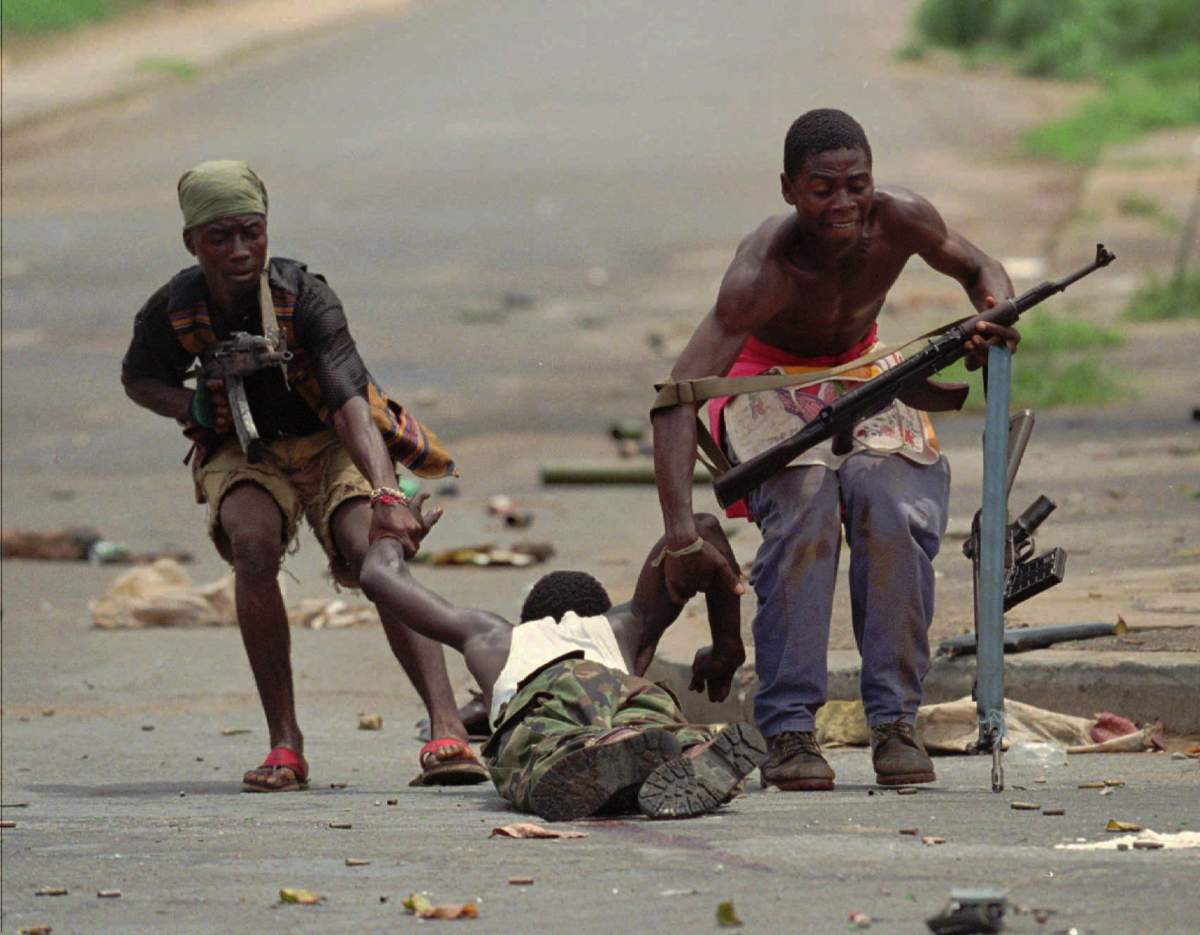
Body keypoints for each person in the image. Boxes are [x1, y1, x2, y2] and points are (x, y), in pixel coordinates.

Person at [650, 109, 1020, 790]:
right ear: (789, 188)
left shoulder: (902, 218)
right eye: (824, 189)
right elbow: (676, 399)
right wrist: (679, 533)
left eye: (858, 184)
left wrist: (994, 310)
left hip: (861, 369)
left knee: (893, 503)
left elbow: (979, 266)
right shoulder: (761, 270)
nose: (844, 204)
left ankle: (896, 720)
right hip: (768, 380)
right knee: (808, 504)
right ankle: (788, 728)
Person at [121, 160, 488, 791]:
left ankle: (446, 725)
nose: (239, 250)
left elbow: (351, 403)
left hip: (331, 443)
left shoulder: (304, 297)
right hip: (245, 450)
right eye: (220, 238)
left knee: (376, 556)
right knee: (254, 546)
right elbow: (138, 379)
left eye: (251, 232)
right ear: (192, 244)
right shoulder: (176, 309)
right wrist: (192, 406)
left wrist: (385, 495)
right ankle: (285, 746)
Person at [359, 500, 767, 821]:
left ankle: (594, 750)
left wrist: (397, 535)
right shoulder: (624, 629)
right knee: (657, 724)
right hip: (624, 689)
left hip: (541, 700)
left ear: (530, 620)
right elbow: (703, 530)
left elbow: (378, 574)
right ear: (600, 612)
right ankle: (692, 752)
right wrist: (727, 647)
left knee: (545, 752)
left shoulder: (495, 638)